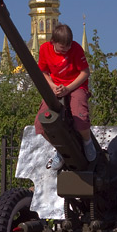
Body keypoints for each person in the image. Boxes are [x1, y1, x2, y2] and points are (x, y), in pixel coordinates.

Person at [34, 24, 96, 171]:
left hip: (75, 86)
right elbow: (43, 72)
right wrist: (53, 86)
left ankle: (87, 142)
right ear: (53, 42)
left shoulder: (76, 49)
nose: (66, 51)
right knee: (40, 125)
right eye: (62, 48)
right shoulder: (45, 49)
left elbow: (85, 72)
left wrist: (68, 88)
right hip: (55, 87)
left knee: (80, 117)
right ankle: (60, 151)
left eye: (68, 47)